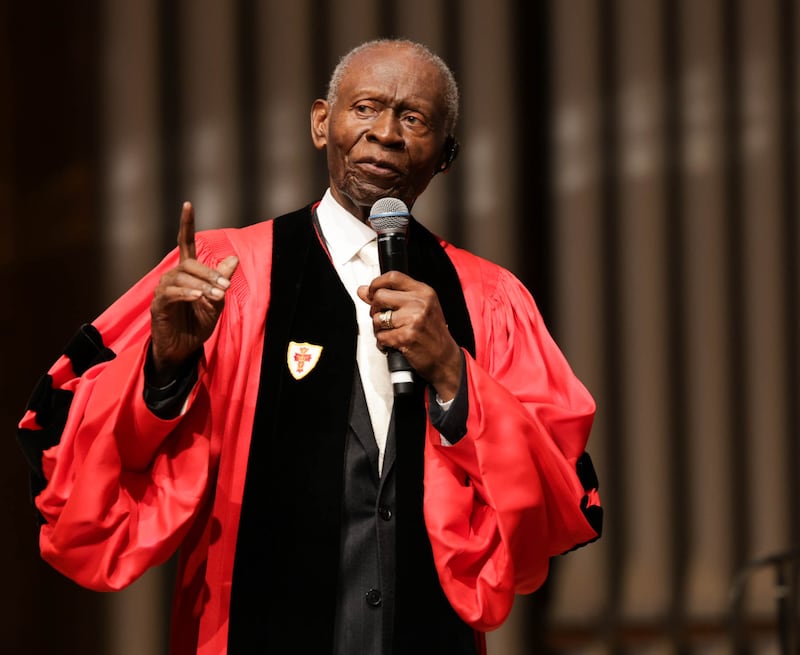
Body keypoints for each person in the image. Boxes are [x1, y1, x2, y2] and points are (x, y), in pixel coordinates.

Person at [17, 39, 602, 655]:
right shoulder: (226, 273)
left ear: (446, 155)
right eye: (367, 108)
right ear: (322, 122)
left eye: (413, 118)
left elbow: (555, 497)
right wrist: (166, 367)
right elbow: (67, 448)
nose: (386, 134)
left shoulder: (487, 300)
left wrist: (456, 374)